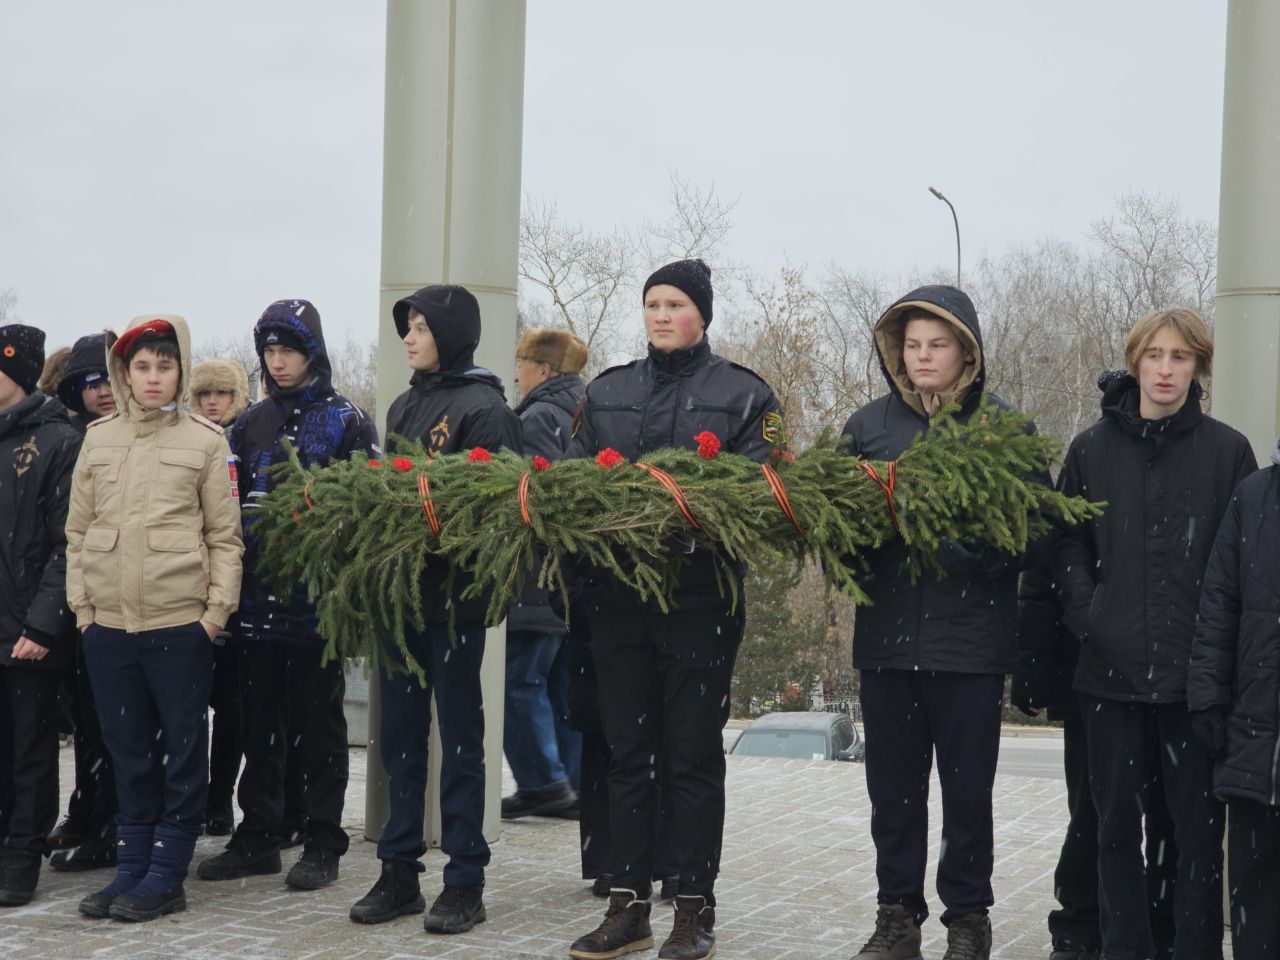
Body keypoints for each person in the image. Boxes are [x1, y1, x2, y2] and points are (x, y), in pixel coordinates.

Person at [566, 259, 785, 960]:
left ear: (703, 314)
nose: (660, 315)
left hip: (699, 599)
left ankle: (694, 907)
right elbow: (571, 483)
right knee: (627, 755)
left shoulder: (745, 394)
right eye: (652, 303)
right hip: (618, 599)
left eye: (675, 304)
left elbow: (768, 491)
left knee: (690, 757)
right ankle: (626, 905)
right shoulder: (607, 391)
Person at [1055, 308, 1255, 960]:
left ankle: (1192, 949)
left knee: (1197, 839)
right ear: (1136, 360)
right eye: (1155, 356)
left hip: (1194, 690)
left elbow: (1244, 566)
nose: (1166, 370)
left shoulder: (1228, 453)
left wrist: (1216, 662)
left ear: (1198, 368)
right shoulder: (1090, 450)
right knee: (1113, 833)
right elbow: (1066, 550)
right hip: (1109, 682)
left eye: (1181, 357)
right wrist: (1095, 616)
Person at [842, 286, 1029, 960]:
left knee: (966, 794)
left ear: (965, 353)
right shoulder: (868, 427)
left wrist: (945, 540)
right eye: (913, 345)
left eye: (937, 345)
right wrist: (869, 537)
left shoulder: (1003, 429)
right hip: (888, 644)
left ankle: (969, 919)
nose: (923, 356)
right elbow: (840, 532)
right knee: (892, 794)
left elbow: (1023, 537)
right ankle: (896, 915)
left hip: (971, 649)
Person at [348, 284, 520, 935]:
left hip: (453, 602)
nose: (409, 338)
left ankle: (464, 879)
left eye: (420, 327)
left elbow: (495, 515)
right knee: (399, 739)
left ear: (449, 334)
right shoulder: (402, 406)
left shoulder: (485, 409)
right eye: (406, 327)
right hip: (402, 598)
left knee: (460, 739)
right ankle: (398, 872)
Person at [66, 315, 244, 922]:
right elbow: (77, 532)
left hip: (179, 626)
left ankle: (167, 875)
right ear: (124, 372)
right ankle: (132, 869)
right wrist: (84, 612)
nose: (152, 377)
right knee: (128, 752)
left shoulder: (206, 442)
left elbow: (226, 539)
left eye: (164, 366)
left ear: (180, 372)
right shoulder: (99, 439)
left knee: (183, 751)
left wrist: (213, 616)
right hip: (109, 626)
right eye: (141, 366)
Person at [197, 301, 379, 891]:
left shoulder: (347, 420)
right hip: (253, 607)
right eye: (269, 352)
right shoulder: (249, 425)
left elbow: (366, 511)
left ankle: (323, 839)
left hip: (316, 608)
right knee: (257, 728)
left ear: (312, 353)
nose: (278, 363)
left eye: (289, 351)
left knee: (321, 731)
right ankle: (258, 836)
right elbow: (221, 511)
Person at [1014, 555, 1179, 960]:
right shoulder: (1080, 491)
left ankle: (1160, 924)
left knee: (1169, 812)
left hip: (1172, 663)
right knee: (1094, 811)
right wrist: (1035, 671)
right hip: (1089, 666)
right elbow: (1046, 570)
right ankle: (1082, 920)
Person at [1189, 434, 1280, 960]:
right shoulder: (1254, 496)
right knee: (1255, 901)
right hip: (1254, 743)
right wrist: (1207, 695)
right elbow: (1219, 603)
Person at [0, 324, 82, 906]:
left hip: (29, 625)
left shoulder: (57, 441)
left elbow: (68, 543)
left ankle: (21, 858)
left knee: (29, 749)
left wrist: (42, 623)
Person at [500, 328, 588, 821]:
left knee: (518, 681)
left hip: (535, 579)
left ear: (544, 371)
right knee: (561, 687)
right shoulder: (581, 412)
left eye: (522, 364)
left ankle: (543, 781)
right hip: (568, 581)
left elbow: (536, 502)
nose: (517, 374)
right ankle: (573, 784)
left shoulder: (536, 418)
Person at [47, 331, 121, 873]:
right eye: (91, 381)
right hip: (73, 599)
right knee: (85, 720)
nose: (103, 391)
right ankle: (88, 810)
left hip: (123, 600)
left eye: (109, 379)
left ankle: (113, 825)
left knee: (117, 723)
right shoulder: (68, 438)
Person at [188, 358, 251, 837]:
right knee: (188, 708)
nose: (214, 402)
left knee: (232, 708)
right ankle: (192, 798)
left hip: (238, 595)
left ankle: (219, 798)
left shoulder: (248, 441)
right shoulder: (184, 439)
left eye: (223, 394)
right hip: (186, 590)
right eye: (206, 393)